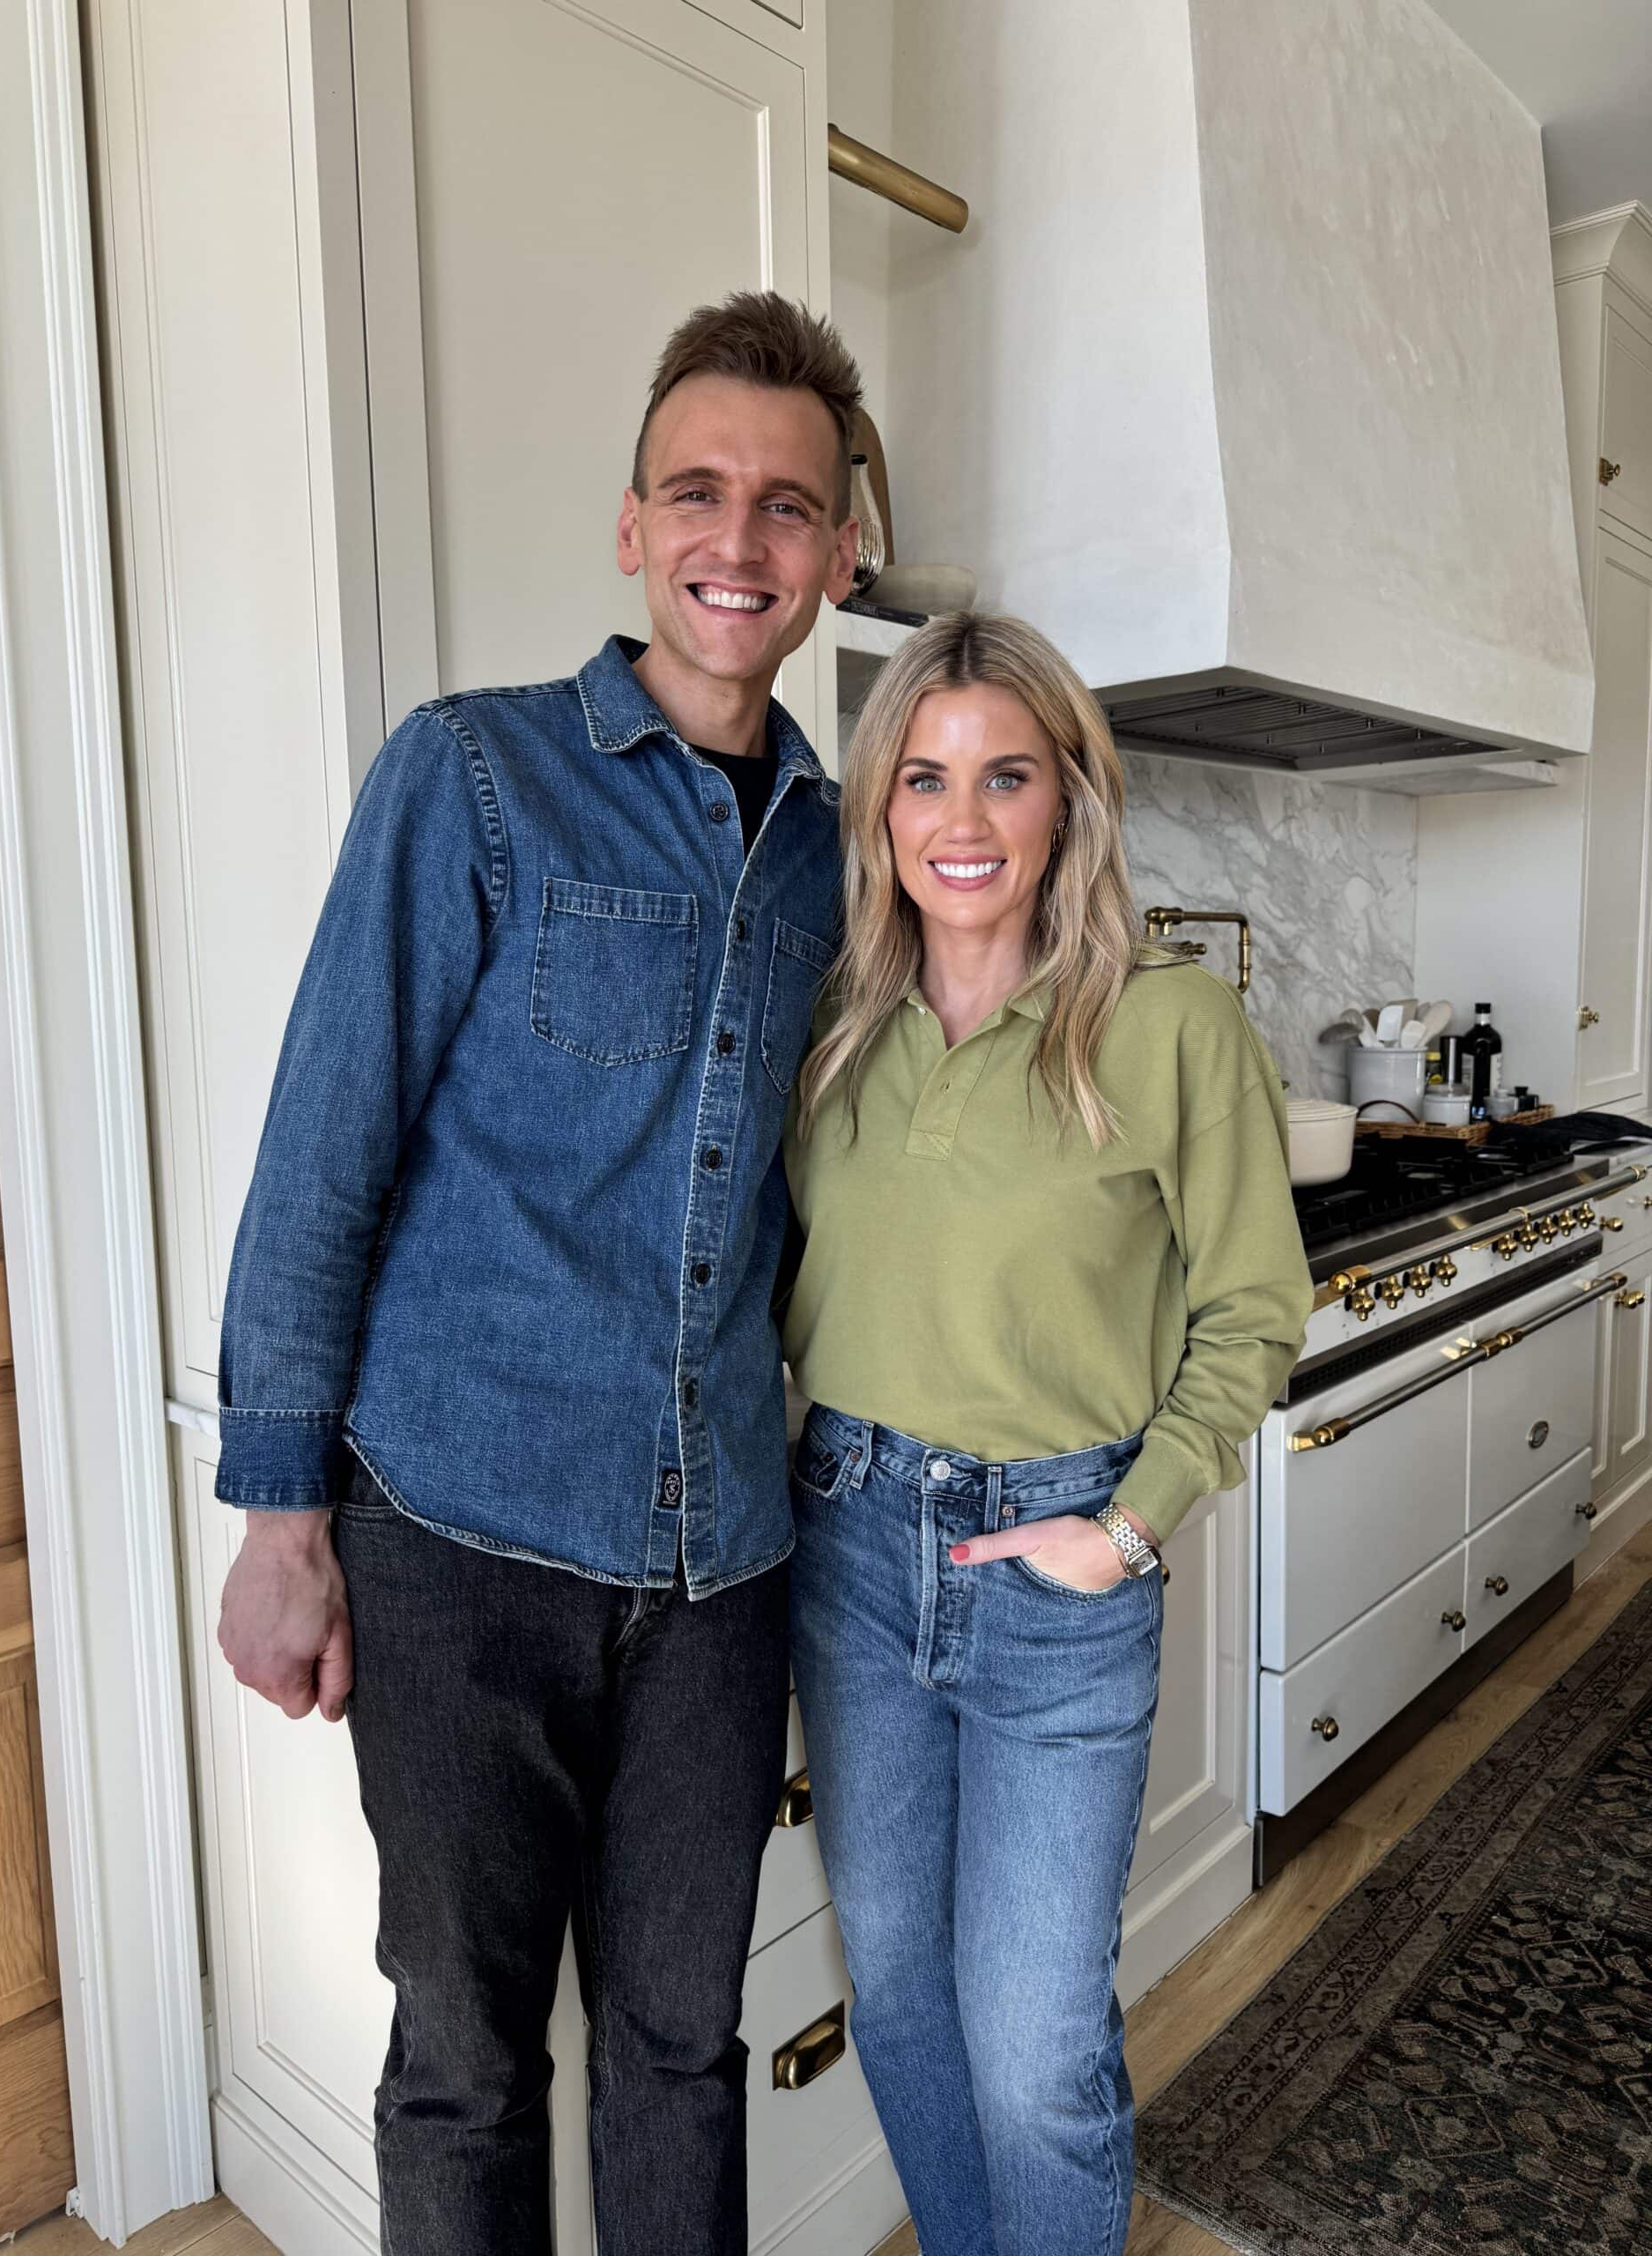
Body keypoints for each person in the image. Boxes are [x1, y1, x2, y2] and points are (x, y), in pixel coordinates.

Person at [212, 292, 862, 2255]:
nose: (736, 540)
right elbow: (326, 1145)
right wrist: (279, 1508)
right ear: (629, 524)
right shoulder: (475, 776)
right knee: (467, 2056)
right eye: (697, 490)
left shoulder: (856, 852)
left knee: (678, 2041)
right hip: (458, 1533)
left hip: (724, 1569)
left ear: (839, 553)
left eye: (786, 505)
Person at [781, 611, 1313, 2256]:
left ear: (1070, 800)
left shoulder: (1166, 1028)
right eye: (923, 778)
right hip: (853, 1548)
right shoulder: (832, 1030)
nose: (962, 820)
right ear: (878, 810)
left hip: (1055, 1577)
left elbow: (1254, 1310)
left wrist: (1131, 1521)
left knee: (1034, 2054)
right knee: (906, 2002)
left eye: (1006, 776)